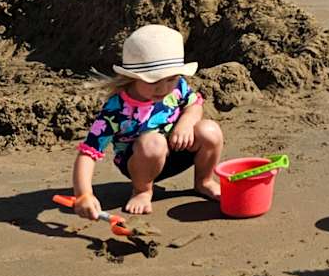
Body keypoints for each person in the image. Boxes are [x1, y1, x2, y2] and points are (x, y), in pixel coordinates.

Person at [66, 25, 225, 217]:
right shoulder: (116, 109)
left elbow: (194, 105)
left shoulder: (177, 87)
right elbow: (88, 153)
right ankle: (142, 191)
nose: (163, 89)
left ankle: (204, 181)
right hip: (140, 161)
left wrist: (186, 123)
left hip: (177, 149)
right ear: (132, 78)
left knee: (210, 130)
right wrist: (83, 195)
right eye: (153, 81)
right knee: (153, 142)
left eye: (171, 79)